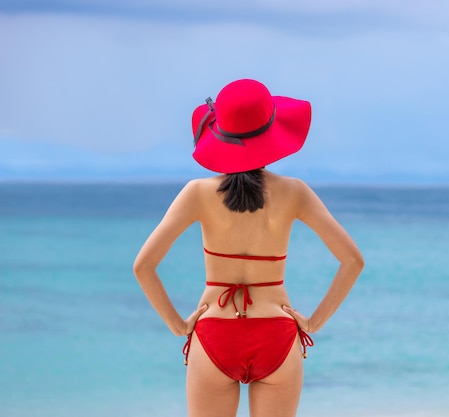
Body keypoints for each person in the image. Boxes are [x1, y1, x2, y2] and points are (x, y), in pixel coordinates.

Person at [133, 78, 364, 417]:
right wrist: (314, 323)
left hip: (214, 331)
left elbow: (143, 266)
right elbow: (352, 261)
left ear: (220, 134)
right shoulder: (295, 192)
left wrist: (179, 326)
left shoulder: (196, 193)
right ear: (272, 134)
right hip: (277, 332)